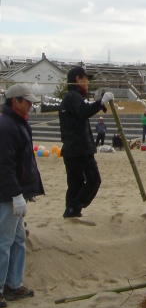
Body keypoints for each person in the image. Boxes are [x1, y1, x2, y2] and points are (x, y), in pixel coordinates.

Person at [0, 84, 44, 308]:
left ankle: (13, 284)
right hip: (7, 195)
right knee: (3, 241)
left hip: (16, 192)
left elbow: (25, 161)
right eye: (27, 101)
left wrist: (27, 191)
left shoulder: (20, 123)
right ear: (14, 101)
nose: (31, 105)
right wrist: (16, 194)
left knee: (18, 239)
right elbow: (5, 165)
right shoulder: (6, 126)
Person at [59, 65, 113, 219]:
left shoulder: (69, 98)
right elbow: (83, 111)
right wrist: (101, 102)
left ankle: (71, 211)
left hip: (71, 150)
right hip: (79, 150)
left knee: (75, 183)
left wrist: (99, 105)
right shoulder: (73, 96)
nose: (87, 83)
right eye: (85, 79)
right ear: (78, 79)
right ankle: (74, 208)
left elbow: (83, 110)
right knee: (94, 180)